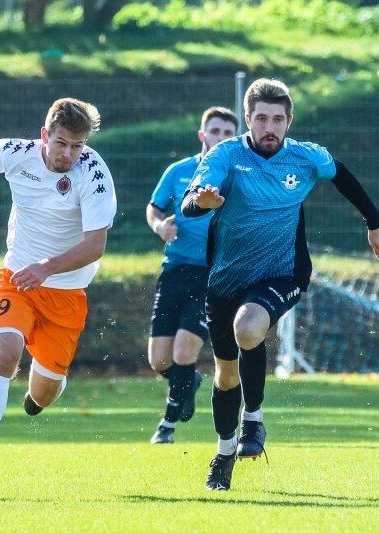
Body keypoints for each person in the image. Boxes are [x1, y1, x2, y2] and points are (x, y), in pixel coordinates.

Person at [181, 79, 379, 491]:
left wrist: (375, 223)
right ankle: (224, 453)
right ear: (248, 119)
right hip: (225, 280)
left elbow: (343, 176)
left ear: (289, 121)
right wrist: (201, 202)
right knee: (225, 377)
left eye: (277, 119)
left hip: (283, 273)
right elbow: (194, 199)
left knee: (249, 328)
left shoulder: (304, 156)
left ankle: (254, 420)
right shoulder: (226, 155)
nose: (269, 127)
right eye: (261, 118)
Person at [0, 97, 117, 490]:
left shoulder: (94, 173)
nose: (68, 154)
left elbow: (95, 245)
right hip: (17, 278)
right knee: (5, 352)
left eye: (77, 146)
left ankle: (43, 390)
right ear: (44, 135)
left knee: (43, 393)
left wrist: (46, 268)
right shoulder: (18, 153)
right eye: (61, 143)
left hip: (65, 292)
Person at [146, 107, 239, 444]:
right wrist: (160, 226)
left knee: (185, 351)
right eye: (215, 131)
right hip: (175, 271)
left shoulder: (237, 177)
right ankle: (188, 381)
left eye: (228, 134)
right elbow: (154, 208)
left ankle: (167, 426)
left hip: (214, 275)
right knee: (159, 360)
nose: (220, 138)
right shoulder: (179, 171)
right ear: (203, 135)